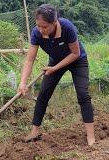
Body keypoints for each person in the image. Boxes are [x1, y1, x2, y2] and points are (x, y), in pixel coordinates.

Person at [18, 4, 95, 145]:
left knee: (83, 94)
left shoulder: (67, 27)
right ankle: (35, 131)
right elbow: (29, 60)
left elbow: (75, 53)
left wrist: (55, 68)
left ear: (55, 23)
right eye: (38, 26)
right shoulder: (36, 33)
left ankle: (91, 136)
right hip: (55, 62)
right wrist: (23, 82)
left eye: (44, 27)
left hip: (77, 60)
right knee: (43, 94)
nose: (41, 30)